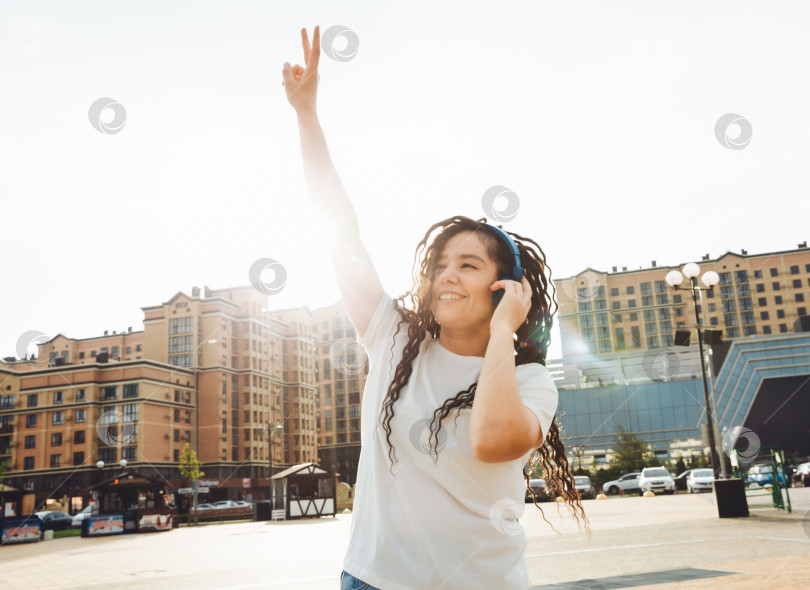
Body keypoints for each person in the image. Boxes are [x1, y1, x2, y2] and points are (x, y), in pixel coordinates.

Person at [283, 26, 587, 590]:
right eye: (441, 264)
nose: (447, 274)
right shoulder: (393, 338)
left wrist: (502, 336)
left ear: (506, 288)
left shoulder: (533, 382)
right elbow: (340, 227)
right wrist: (307, 116)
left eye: (469, 265)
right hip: (373, 580)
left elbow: (493, 441)